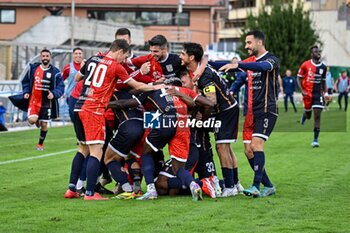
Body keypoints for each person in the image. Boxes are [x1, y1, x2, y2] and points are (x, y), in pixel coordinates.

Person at [64, 39, 163, 201]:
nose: (124, 61)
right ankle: (90, 193)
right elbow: (136, 86)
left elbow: (77, 78)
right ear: (120, 51)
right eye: (124, 57)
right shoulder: (115, 66)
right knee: (97, 152)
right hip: (93, 110)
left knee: (82, 149)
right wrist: (155, 87)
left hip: (78, 107)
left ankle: (72, 188)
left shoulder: (92, 59)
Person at [220, 30, 279, 198]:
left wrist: (238, 64)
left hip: (267, 110)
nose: (246, 46)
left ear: (259, 42)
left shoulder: (271, 60)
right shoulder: (248, 63)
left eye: (249, 43)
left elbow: (261, 67)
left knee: (256, 145)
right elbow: (230, 66)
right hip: (251, 113)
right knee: (248, 151)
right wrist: (204, 63)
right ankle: (268, 185)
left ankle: (255, 185)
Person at [181, 42, 244, 197]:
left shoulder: (204, 77)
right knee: (226, 148)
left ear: (191, 57)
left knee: (222, 148)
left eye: (182, 54)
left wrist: (203, 118)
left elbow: (212, 100)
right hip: (228, 109)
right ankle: (235, 184)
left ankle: (229, 187)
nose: (180, 57)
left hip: (225, 111)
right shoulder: (201, 70)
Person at [22, 49, 65, 150]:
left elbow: (61, 87)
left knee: (44, 124)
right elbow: (25, 82)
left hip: (46, 103)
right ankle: (36, 120)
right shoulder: (33, 69)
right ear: (41, 57)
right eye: (43, 56)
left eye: (47, 56)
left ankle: (40, 144)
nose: (45, 58)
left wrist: (54, 94)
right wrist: (26, 92)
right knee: (32, 120)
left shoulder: (55, 72)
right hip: (34, 101)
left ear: (50, 57)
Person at [297, 45, 327, 148]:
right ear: (312, 54)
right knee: (309, 115)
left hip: (318, 94)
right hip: (307, 94)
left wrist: (326, 93)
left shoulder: (323, 67)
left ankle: (315, 140)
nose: (318, 53)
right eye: (316, 52)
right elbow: (298, 78)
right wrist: (302, 91)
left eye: (319, 51)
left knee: (317, 116)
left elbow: (323, 81)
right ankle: (305, 115)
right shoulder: (305, 65)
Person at [62, 47, 84, 122]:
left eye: (80, 53)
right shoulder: (68, 67)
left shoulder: (87, 65)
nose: (78, 55)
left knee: (83, 117)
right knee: (74, 117)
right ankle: (78, 133)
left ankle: (83, 133)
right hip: (71, 96)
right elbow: (61, 80)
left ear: (82, 55)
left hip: (83, 95)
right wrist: (61, 92)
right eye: (76, 53)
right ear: (73, 55)